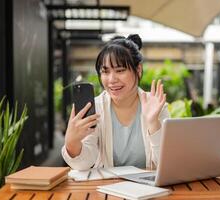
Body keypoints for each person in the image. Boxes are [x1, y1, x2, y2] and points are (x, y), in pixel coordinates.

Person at [62, 34, 170, 170]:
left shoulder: (156, 106)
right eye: (105, 72)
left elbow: (166, 165)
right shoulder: (96, 108)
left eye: (120, 70)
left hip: (149, 189)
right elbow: (84, 164)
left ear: (138, 70)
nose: (112, 79)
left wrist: (153, 123)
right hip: (107, 189)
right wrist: (72, 142)